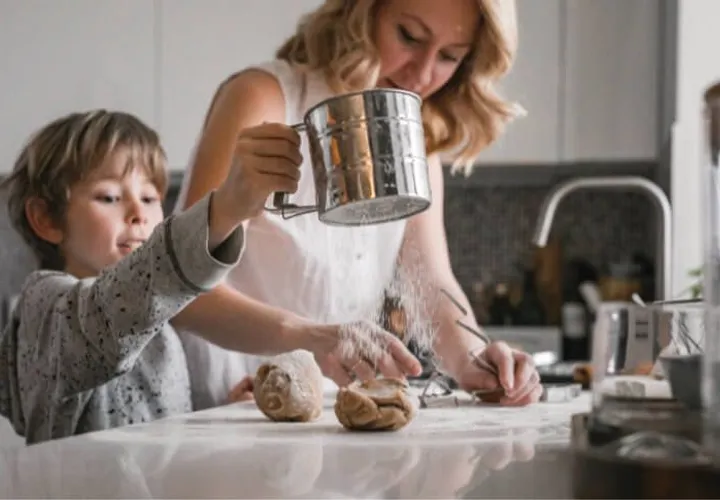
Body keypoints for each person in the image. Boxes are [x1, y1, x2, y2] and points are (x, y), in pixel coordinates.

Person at [174, 0, 542, 409]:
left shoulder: (414, 138)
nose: (421, 74)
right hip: (230, 409)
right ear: (361, 13)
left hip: (336, 419)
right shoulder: (263, 97)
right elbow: (185, 292)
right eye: (410, 37)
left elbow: (434, 284)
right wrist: (310, 337)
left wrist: (475, 358)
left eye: (449, 56)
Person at [0, 110, 418, 444]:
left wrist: (221, 407)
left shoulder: (156, 319)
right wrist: (225, 210)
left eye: (149, 197)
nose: (139, 213)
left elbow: (156, 425)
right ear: (46, 219)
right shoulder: (46, 310)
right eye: (109, 196)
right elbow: (114, 308)